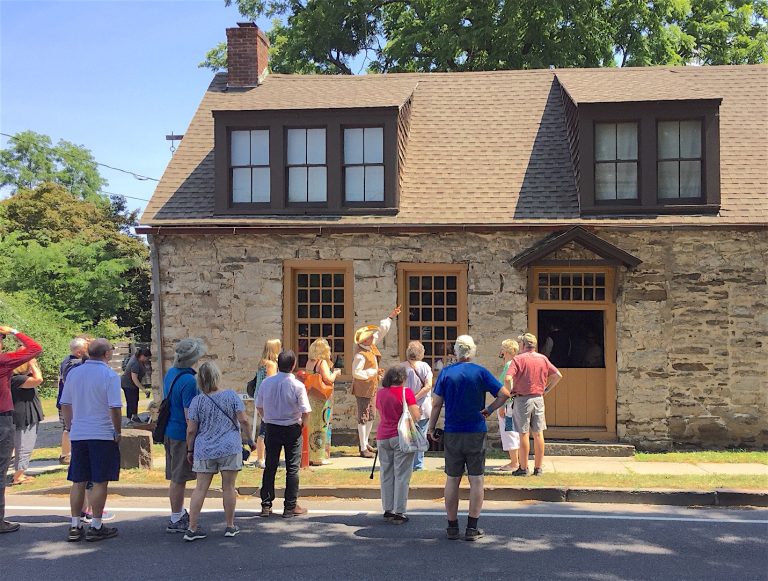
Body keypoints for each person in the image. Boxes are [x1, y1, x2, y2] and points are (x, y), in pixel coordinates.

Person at [427, 335, 509, 542]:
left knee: (452, 478)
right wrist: (489, 409)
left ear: (455, 351)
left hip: (453, 430)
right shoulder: (480, 372)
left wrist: (430, 427)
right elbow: (504, 393)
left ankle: (452, 526)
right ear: (472, 352)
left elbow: (436, 404)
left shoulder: (446, 373)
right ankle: (472, 527)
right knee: (476, 478)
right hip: (475, 429)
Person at [183, 362, 255, 541]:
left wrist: (189, 449)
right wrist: (249, 440)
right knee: (228, 487)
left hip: (204, 448)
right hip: (229, 447)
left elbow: (191, 430)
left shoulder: (197, 401)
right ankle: (230, 525)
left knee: (200, 488)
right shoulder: (231, 396)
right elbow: (244, 420)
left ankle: (192, 527)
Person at [61, 338, 122, 542]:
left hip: (79, 432)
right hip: (101, 432)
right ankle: (96, 524)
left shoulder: (74, 373)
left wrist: (70, 427)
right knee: (99, 480)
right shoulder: (109, 375)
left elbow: (65, 404)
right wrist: (117, 430)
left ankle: (75, 524)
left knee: (78, 480)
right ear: (106, 354)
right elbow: (114, 407)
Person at [256, 350, 311, 519]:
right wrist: (302, 424)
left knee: (270, 465)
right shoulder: (297, 386)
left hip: (272, 426)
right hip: (291, 427)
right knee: (292, 468)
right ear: (293, 365)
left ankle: (266, 504)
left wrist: (266, 418)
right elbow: (306, 411)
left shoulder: (267, 383)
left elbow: (259, 405)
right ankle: (290, 506)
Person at [0, 326, 43, 534]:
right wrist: (14, 331)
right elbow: (34, 348)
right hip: (2, 419)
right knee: (1, 470)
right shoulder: (3, 361)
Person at [163, 338, 207, 533]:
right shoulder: (189, 380)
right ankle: (176, 517)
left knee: (176, 475)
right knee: (179, 477)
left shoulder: (171, 373)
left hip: (169, 430)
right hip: (181, 433)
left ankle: (178, 513)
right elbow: (190, 414)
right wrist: (192, 442)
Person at [505, 333, 563, 477]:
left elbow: (508, 378)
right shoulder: (543, 358)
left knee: (523, 433)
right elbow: (558, 375)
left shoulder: (518, 359)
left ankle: (523, 468)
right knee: (538, 433)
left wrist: (510, 391)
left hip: (522, 399)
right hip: (538, 398)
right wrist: (546, 390)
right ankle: (538, 468)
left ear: (523, 345)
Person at [352, 306, 401, 458]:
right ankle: (362, 446)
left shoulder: (370, 347)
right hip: (362, 388)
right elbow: (356, 372)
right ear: (364, 340)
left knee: (371, 415)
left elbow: (381, 332)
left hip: (372, 386)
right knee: (363, 417)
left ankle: (366, 443)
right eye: (370, 336)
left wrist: (390, 317)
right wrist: (372, 372)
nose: (373, 337)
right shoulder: (360, 355)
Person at [376, 365, 420, 524]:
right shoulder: (405, 392)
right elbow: (415, 415)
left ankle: (388, 509)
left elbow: (380, 411)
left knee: (386, 473)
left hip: (383, 435)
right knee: (402, 474)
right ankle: (399, 511)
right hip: (400, 436)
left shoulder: (380, 393)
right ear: (402, 378)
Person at [305, 338, 339, 466]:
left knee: (312, 425)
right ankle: (319, 456)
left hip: (312, 397)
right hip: (322, 399)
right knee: (323, 425)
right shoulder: (322, 363)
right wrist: (335, 373)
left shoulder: (310, 362)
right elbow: (328, 379)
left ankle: (311, 454)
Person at [11, 359, 44, 485]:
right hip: (24, 416)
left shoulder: (20, 378)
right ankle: (18, 476)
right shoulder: (17, 379)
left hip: (28, 414)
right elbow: (39, 380)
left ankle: (20, 473)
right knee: (24, 445)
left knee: (23, 444)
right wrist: (32, 363)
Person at [248, 339, 280, 468]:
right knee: (265, 430)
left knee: (264, 427)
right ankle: (261, 458)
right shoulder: (271, 365)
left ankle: (261, 457)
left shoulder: (262, 363)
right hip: (267, 399)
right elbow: (270, 383)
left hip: (260, 398)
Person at [57, 336, 89, 465]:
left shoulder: (69, 361)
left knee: (70, 427)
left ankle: (69, 454)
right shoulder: (72, 364)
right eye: (86, 350)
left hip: (68, 401)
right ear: (79, 353)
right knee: (68, 428)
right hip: (69, 402)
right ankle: (66, 455)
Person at [402, 341, 433, 471]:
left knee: (406, 436)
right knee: (420, 435)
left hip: (406, 407)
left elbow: (397, 387)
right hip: (422, 407)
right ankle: (418, 464)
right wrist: (415, 398)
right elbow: (428, 386)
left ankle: (406, 464)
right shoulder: (425, 366)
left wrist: (409, 400)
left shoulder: (401, 367)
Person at [495, 339, 521, 472]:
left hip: (508, 405)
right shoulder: (517, 363)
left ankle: (514, 462)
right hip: (516, 403)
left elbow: (506, 385)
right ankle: (518, 460)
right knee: (516, 432)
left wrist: (501, 405)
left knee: (509, 431)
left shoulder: (509, 365)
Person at [120, 347, 151, 423]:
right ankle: (128, 420)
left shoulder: (139, 360)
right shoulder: (135, 363)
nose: (148, 359)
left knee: (135, 399)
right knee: (131, 401)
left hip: (133, 384)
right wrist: (143, 389)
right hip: (127, 384)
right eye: (147, 357)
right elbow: (134, 378)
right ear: (142, 356)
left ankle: (135, 416)